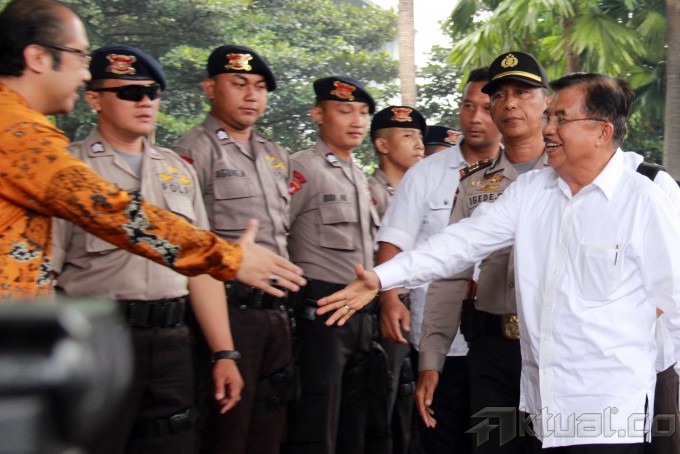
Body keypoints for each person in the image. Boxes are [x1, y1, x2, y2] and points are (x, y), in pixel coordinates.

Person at [318, 72, 680, 454]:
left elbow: (674, 300)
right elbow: (460, 243)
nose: (548, 129)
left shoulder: (644, 199)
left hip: (608, 409)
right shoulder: (531, 192)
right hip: (542, 405)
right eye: (549, 117)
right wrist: (381, 278)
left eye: (561, 119)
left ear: (601, 132)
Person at [0, 0, 304, 302]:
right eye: (80, 56)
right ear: (37, 57)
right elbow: (111, 212)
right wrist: (228, 257)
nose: (85, 74)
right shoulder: (16, 132)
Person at [51, 44, 242, 454]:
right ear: (94, 99)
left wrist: (224, 352)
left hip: (172, 340)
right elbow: (44, 275)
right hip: (99, 339)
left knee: (173, 443)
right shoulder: (69, 171)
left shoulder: (178, 170)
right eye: (130, 93)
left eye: (152, 93)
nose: (145, 102)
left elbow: (202, 269)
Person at [417, 52, 550, 454]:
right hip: (492, 349)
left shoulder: (570, 174)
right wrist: (431, 358)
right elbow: (450, 272)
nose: (510, 104)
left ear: (547, 101)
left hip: (555, 346)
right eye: (500, 95)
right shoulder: (475, 183)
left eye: (522, 93)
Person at [171, 44, 293, 454]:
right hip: (226, 311)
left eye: (259, 87)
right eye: (239, 84)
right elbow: (187, 241)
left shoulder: (276, 155)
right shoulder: (191, 152)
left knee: (270, 431)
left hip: (277, 312)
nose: (251, 95)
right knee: (227, 432)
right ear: (210, 88)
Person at [374, 67, 501, 453]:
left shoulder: (526, 173)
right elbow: (394, 240)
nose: (475, 117)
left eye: (486, 108)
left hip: (503, 339)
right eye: (467, 106)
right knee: (442, 436)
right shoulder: (425, 175)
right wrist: (389, 298)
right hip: (440, 341)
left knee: (499, 439)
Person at [282, 75, 381, 454]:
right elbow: (277, 235)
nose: (357, 121)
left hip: (360, 313)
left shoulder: (358, 176)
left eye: (363, 113)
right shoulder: (301, 168)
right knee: (316, 421)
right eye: (345, 111)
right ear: (318, 115)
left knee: (353, 424)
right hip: (319, 310)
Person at [367, 105, 426, 454]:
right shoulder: (367, 192)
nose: (419, 144)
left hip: (420, 307)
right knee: (384, 396)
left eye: (419, 136)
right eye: (407, 136)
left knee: (413, 399)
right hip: (385, 307)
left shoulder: (421, 192)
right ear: (383, 145)